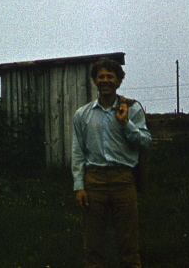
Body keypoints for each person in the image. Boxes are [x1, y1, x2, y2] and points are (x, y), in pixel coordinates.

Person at [72, 59, 151, 268]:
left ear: (118, 81)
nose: (105, 80)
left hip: (123, 179)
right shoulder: (82, 114)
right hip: (93, 181)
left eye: (110, 76)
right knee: (92, 244)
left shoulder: (132, 109)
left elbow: (145, 142)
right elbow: (78, 153)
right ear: (95, 80)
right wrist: (79, 186)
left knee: (129, 243)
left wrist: (125, 123)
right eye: (101, 76)